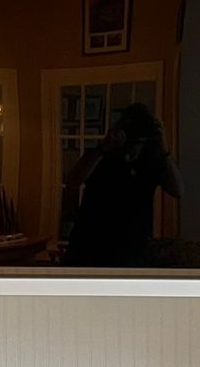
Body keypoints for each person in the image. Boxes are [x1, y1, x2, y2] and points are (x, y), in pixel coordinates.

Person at [62, 102, 183, 267]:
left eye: (138, 143)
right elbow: (72, 181)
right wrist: (104, 147)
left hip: (130, 251)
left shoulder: (152, 161)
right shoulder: (102, 155)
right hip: (88, 246)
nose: (133, 149)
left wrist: (164, 149)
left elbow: (178, 190)